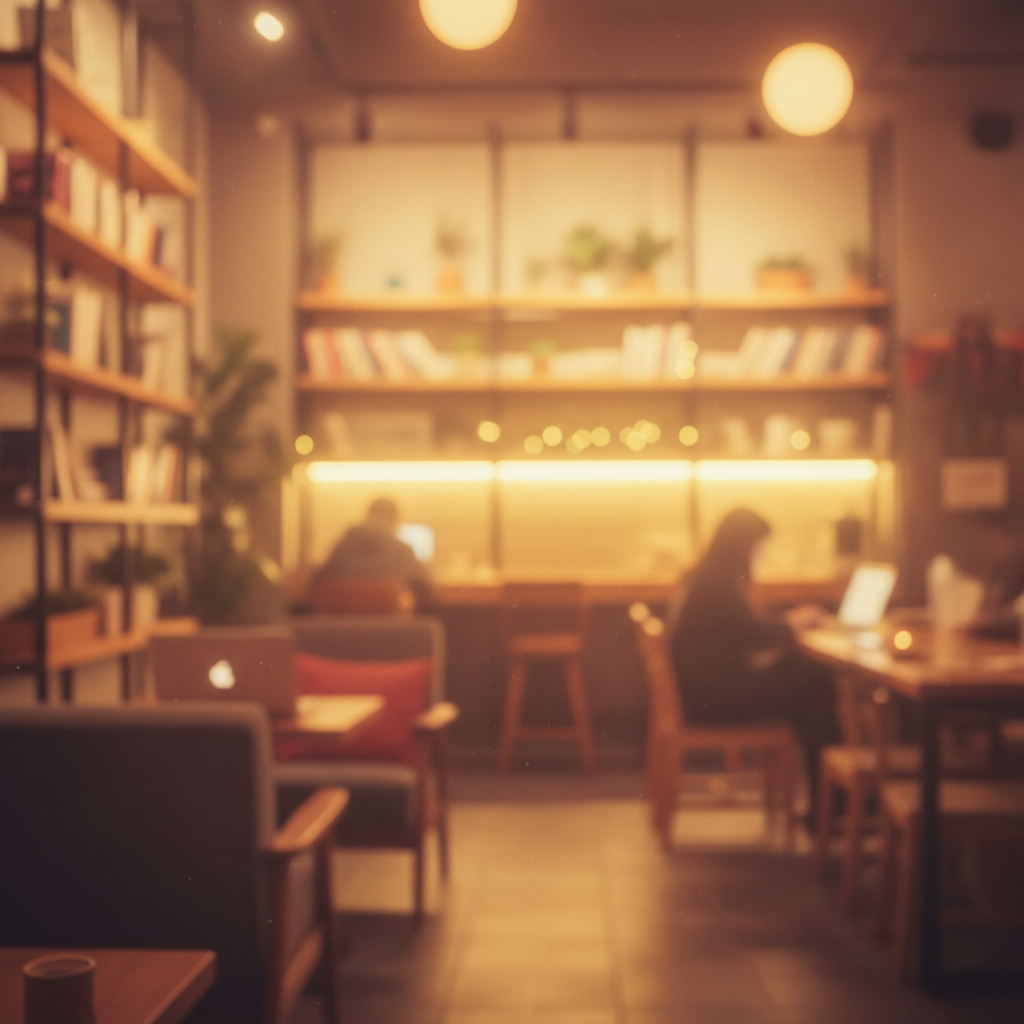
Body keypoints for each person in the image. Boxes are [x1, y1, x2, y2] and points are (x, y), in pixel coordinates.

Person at [666, 508, 838, 817]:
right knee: (813, 679)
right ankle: (831, 800)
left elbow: (749, 633)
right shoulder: (716, 582)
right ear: (744, 546)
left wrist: (786, 625)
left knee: (806, 676)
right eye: (759, 547)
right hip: (712, 701)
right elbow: (757, 637)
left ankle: (828, 803)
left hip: (704, 694)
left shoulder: (706, 575)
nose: (759, 556)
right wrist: (792, 623)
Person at [315, 497, 434, 610]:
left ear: (368, 516)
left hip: (339, 629)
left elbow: (318, 581)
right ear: (395, 519)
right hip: (392, 630)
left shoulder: (341, 548)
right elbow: (428, 590)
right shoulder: (403, 551)